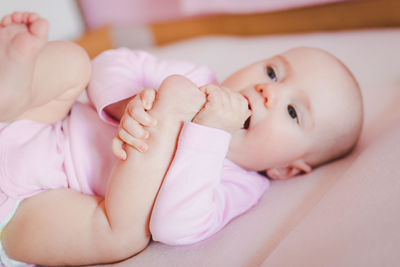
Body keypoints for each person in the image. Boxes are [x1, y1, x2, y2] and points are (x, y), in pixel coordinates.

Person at [0, 11, 363, 267]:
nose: (270, 92)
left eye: (293, 112)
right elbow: (113, 62)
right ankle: (11, 90)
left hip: (38, 204)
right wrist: (128, 105)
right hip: (37, 120)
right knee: (76, 62)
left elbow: (175, 226)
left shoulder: (241, 185)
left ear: (287, 170)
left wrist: (209, 132)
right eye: (273, 71)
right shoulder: (195, 77)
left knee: (125, 235)